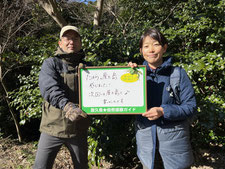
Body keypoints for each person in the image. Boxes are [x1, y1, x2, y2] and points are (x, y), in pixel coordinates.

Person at [129, 28, 196, 169]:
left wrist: (163, 111)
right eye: (146, 46)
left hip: (175, 146)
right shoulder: (136, 75)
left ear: (164, 48)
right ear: (141, 51)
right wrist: (126, 76)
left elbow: (190, 106)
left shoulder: (177, 74)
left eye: (156, 44)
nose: (151, 50)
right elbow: (123, 101)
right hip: (147, 145)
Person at [33, 25, 90, 169]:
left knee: (81, 166)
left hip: (78, 128)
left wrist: (129, 70)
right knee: (41, 166)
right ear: (60, 43)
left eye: (75, 38)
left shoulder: (88, 67)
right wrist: (67, 106)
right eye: (67, 38)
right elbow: (50, 89)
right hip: (52, 127)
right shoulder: (51, 64)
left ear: (80, 43)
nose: (71, 42)